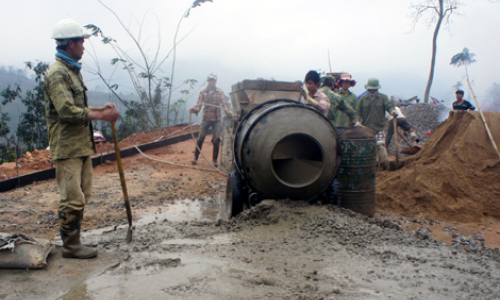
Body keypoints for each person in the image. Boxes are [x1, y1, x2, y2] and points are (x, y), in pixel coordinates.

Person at [46, 19, 120, 259]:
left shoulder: (71, 71)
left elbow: (78, 106)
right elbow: (66, 110)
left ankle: (74, 240)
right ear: (70, 44)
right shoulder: (57, 73)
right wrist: (101, 115)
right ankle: (70, 246)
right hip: (67, 147)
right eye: (80, 42)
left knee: (83, 194)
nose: (83, 47)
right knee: (72, 198)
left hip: (80, 145)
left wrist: (99, 109)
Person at [189, 73, 233, 167]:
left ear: (215, 81)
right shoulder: (203, 92)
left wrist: (228, 112)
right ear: (208, 81)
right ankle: (195, 157)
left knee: (216, 139)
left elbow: (224, 104)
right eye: (210, 80)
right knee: (201, 137)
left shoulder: (219, 92)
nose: (212, 82)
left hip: (216, 119)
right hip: (206, 118)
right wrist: (195, 110)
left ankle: (214, 160)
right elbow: (199, 104)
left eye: (213, 80)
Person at [357, 78, 397, 168]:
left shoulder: (383, 98)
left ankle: (384, 165)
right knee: (369, 148)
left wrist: (393, 111)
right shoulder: (363, 99)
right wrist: (357, 121)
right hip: (366, 128)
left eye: (373, 89)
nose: (372, 91)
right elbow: (358, 112)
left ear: (377, 89)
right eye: (370, 89)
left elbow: (389, 106)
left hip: (379, 127)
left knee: (380, 145)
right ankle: (372, 165)